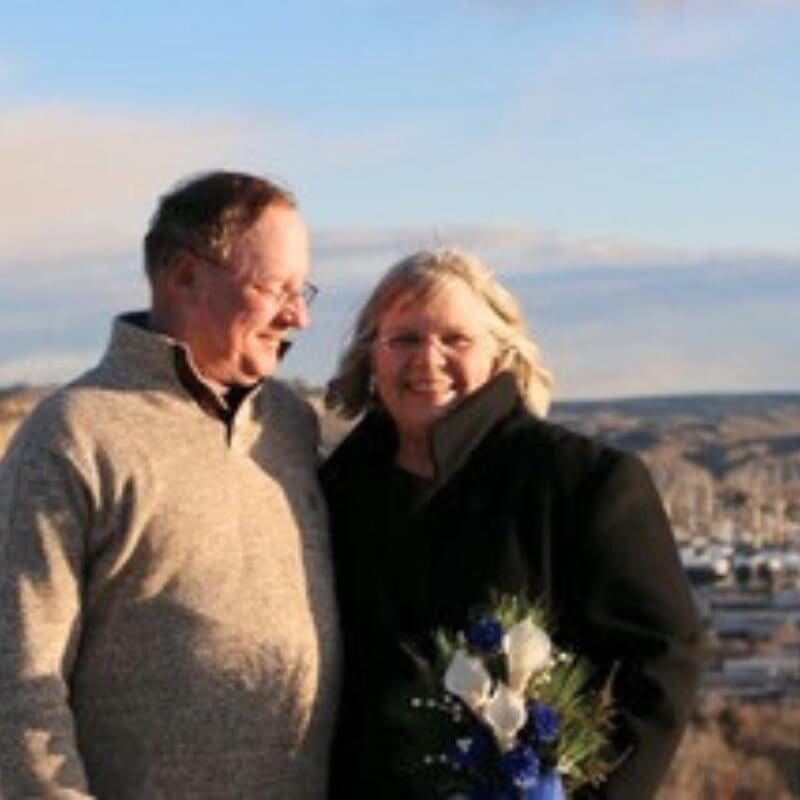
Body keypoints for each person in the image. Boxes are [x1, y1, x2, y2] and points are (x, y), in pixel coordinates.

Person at [0, 171, 341, 798]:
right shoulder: (72, 434)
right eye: (275, 289)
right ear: (186, 276)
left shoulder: (290, 426)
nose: (299, 316)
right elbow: (18, 681)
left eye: (304, 290)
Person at [321, 248, 702, 799]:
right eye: (404, 339)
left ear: (501, 356)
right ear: (370, 358)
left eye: (456, 339)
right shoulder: (333, 490)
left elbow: (666, 660)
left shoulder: (581, 481)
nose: (428, 360)